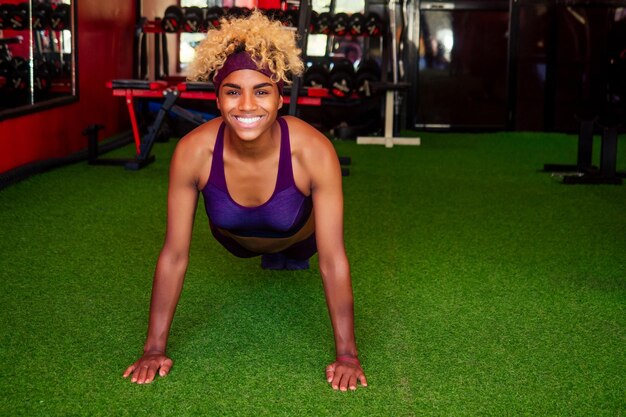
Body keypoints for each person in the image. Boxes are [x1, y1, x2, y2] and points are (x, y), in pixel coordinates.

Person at [123, 10, 367, 392]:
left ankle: (284, 256)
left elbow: (333, 257)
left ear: (281, 98)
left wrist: (347, 355)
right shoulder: (194, 152)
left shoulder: (314, 150)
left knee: (297, 253)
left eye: (262, 91)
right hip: (234, 241)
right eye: (233, 91)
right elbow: (174, 253)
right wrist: (154, 348)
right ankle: (272, 256)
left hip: (299, 238)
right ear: (218, 99)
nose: (247, 106)